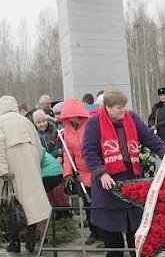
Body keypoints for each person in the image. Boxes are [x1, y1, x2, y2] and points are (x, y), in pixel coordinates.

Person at [82, 89, 165, 257]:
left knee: (138, 240)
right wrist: (101, 173)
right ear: (107, 107)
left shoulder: (132, 118)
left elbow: (150, 138)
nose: (122, 110)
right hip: (108, 187)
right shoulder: (94, 123)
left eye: (123, 106)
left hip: (132, 182)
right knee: (114, 246)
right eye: (118, 107)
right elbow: (89, 151)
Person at [0, 96, 51, 253]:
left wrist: (2, 170)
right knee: (32, 205)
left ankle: (14, 241)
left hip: (10, 169)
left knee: (11, 205)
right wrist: (35, 164)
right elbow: (38, 146)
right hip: (30, 167)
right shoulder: (25, 121)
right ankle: (31, 238)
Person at [59, 97, 99, 245]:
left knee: (98, 203)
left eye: (73, 115)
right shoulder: (67, 131)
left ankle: (105, 232)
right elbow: (67, 154)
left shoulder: (90, 126)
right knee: (88, 205)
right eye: (68, 117)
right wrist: (67, 172)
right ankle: (94, 232)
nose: (72, 119)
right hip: (81, 173)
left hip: (96, 170)